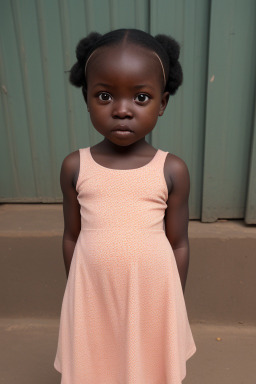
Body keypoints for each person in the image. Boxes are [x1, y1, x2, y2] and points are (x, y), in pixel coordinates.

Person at [54, 28, 196, 383]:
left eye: (141, 98)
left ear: (162, 103)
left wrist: (171, 301)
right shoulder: (75, 166)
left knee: (145, 362)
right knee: (98, 359)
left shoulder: (171, 169)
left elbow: (178, 242)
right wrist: (79, 289)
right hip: (93, 293)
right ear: (86, 98)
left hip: (152, 294)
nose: (121, 111)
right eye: (104, 96)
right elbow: (72, 236)